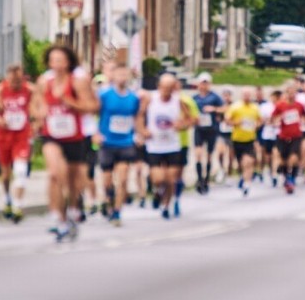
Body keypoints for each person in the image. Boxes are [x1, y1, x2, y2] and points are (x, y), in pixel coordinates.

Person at [31, 44, 98, 241]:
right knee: (54, 174)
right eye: (53, 60)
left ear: (69, 62)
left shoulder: (78, 82)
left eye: (61, 60)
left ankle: (72, 211)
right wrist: (39, 113)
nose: (57, 64)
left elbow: (92, 106)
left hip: (74, 136)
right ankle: (56, 217)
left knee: (73, 181)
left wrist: (71, 103)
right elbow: (34, 105)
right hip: (51, 135)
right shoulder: (44, 81)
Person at [137, 74, 197, 219]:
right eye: (164, 87)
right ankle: (158, 191)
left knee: (170, 179)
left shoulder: (179, 101)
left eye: (170, 88)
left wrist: (182, 125)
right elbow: (140, 115)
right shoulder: (151, 99)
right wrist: (142, 131)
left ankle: (165, 205)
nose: (167, 91)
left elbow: (191, 119)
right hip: (154, 145)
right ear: (159, 87)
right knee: (158, 178)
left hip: (172, 145)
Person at [0, 63, 34, 223]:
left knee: (20, 170)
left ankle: (17, 206)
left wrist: (35, 121)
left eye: (19, 80)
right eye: (13, 80)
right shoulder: (0, 90)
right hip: (4, 135)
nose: (16, 84)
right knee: (6, 174)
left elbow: (39, 105)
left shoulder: (29, 90)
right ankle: (7, 197)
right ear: (7, 78)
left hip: (21, 135)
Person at [96, 63, 141, 225]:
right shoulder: (103, 94)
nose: (122, 78)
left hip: (126, 142)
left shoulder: (134, 98)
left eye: (125, 74)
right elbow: (93, 113)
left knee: (122, 179)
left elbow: (137, 118)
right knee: (107, 181)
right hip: (107, 142)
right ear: (113, 76)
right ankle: (109, 198)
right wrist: (95, 133)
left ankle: (117, 212)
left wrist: (139, 134)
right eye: (119, 74)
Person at [271, 82, 305, 194]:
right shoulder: (280, 106)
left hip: (296, 136)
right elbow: (273, 119)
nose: (291, 95)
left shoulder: (299, 105)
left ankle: (291, 177)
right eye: (289, 93)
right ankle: (287, 177)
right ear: (286, 94)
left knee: (293, 158)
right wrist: (277, 120)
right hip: (283, 136)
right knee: (283, 161)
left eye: (293, 93)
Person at [192, 72, 223, 194]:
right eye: (202, 83)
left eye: (206, 83)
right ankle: (199, 179)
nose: (204, 86)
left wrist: (214, 109)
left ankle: (206, 179)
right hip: (199, 129)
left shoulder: (214, 97)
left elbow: (224, 108)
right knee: (198, 154)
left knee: (209, 155)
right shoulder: (195, 98)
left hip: (211, 129)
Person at [225, 86, 260, 196]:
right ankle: (243, 177)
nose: (247, 96)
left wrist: (256, 125)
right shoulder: (235, 107)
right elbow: (227, 120)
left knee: (248, 162)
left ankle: (246, 184)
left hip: (249, 140)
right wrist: (236, 123)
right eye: (245, 94)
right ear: (241, 95)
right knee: (240, 164)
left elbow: (260, 120)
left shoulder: (255, 107)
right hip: (237, 140)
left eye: (249, 94)